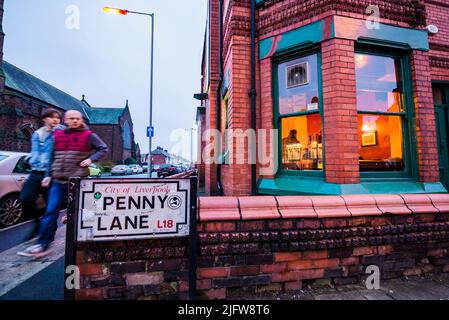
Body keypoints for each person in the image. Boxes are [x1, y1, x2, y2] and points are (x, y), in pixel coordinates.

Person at [18, 110, 108, 257]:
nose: (75, 121)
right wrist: (47, 175)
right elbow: (50, 157)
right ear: (65, 120)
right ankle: (42, 245)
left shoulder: (89, 135)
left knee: (84, 212)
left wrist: (91, 159)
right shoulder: (57, 136)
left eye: (77, 118)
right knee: (50, 211)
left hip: (77, 182)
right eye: (71, 118)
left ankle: (90, 243)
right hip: (58, 181)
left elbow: (103, 148)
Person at [19, 109, 61, 233]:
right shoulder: (37, 134)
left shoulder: (59, 133)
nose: (55, 120)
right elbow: (35, 152)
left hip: (51, 174)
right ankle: (37, 223)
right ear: (44, 119)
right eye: (52, 117)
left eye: (57, 118)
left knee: (51, 205)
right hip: (35, 172)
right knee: (25, 198)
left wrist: (49, 174)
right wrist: (28, 159)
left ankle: (51, 230)